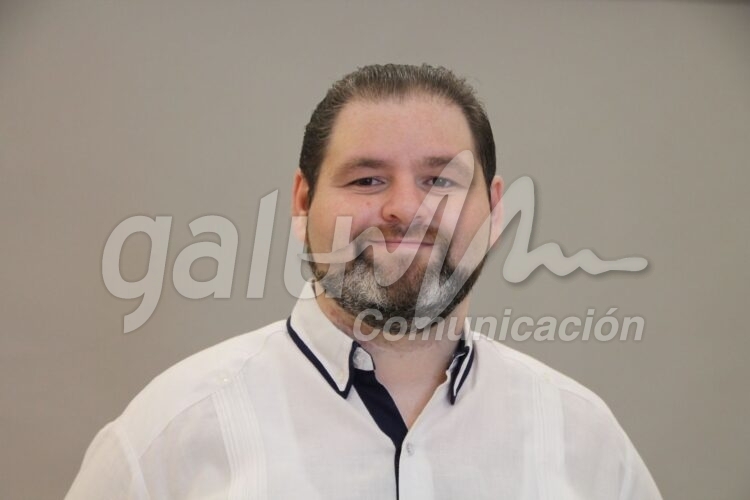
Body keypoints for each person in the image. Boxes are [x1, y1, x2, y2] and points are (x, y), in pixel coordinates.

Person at [67, 64, 663, 499]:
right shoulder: (169, 431)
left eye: (440, 180)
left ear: (495, 208)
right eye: (367, 181)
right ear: (303, 201)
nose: (404, 208)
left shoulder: (583, 436)